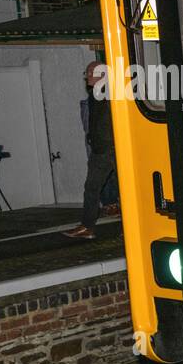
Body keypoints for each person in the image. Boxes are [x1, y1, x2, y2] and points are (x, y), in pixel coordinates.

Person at [64, 62, 116, 241]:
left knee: (93, 187)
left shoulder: (109, 95)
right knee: (93, 187)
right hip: (102, 148)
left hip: (108, 149)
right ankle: (87, 226)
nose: (87, 76)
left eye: (90, 72)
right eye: (87, 72)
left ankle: (87, 226)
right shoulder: (96, 95)